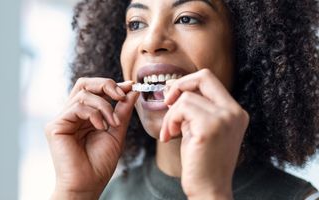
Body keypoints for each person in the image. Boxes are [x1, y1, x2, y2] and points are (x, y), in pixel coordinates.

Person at [45, 0, 319, 199]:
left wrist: (209, 193)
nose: (151, 41)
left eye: (186, 18)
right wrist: (74, 192)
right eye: (136, 23)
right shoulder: (104, 194)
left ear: (248, 47)